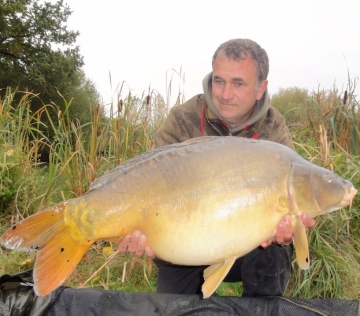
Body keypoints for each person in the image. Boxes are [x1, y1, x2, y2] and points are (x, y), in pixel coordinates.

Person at [118, 38, 315, 297]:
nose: (224, 94)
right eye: (219, 81)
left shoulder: (272, 129)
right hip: (183, 246)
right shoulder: (183, 119)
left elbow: (291, 200)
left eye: (238, 83)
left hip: (250, 247)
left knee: (275, 253)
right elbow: (148, 185)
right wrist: (139, 230)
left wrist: (286, 232)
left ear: (260, 88)